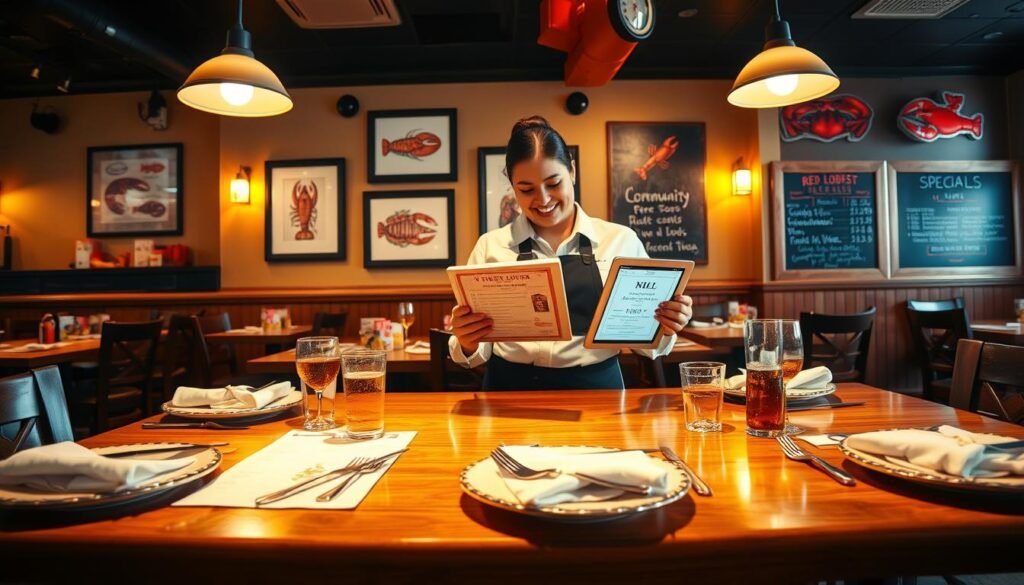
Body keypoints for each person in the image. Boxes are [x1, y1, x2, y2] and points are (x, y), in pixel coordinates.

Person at [449, 116, 693, 390]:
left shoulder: (621, 241)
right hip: (509, 390)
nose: (542, 199)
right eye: (526, 189)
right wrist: (467, 339)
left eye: (554, 183)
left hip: (596, 389)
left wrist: (666, 324)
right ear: (512, 186)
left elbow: (648, 347)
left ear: (572, 171)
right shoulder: (489, 246)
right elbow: (472, 354)